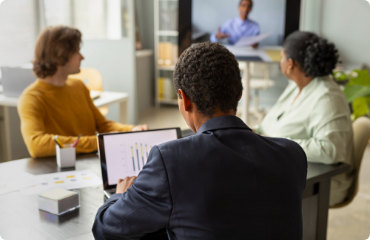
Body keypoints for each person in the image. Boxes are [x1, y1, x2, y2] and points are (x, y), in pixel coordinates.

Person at [92, 42, 307, 240]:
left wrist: (120, 196)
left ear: (184, 99)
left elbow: (105, 229)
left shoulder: (170, 160)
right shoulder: (293, 154)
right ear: (239, 93)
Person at [254, 31, 353, 206]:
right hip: (284, 166)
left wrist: (276, 144)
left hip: (321, 181)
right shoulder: (296, 85)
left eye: (282, 56)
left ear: (290, 64)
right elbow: (269, 123)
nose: (281, 61)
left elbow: (330, 150)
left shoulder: (327, 97)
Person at [18, 26, 148, 158]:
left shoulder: (78, 86)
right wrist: (98, 142)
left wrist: (131, 130)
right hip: (60, 169)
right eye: (77, 52)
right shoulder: (31, 98)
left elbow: (103, 125)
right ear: (60, 55)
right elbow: (36, 145)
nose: (82, 57)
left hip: (90, 162)